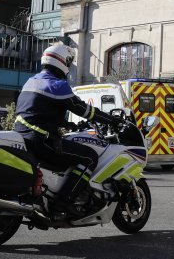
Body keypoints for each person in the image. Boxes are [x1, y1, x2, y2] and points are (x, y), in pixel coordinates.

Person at [14, 43, 121, 218]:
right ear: (62, 62)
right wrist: (111, 120)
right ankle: (63, 202)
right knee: (89, 157)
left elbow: (39, 112)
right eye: (69, 62)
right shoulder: (57, 85)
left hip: (24, 136)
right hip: (41, 141)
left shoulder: (31, 81)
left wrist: (68, 125)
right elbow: (83, 110)